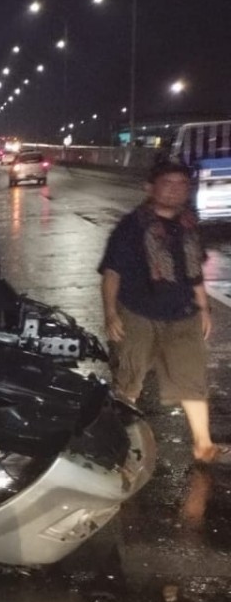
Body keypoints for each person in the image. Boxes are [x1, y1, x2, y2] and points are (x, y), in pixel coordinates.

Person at [98, 159, 227, 465]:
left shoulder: (188, 225)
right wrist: (111, 313)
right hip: (138, 313)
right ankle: (121, 449)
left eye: (182, 184)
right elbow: (112, 273)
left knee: (193, 379)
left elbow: (194, 271)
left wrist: (204, 306)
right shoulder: (131, 227)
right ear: (150, 188)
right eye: (168, 184)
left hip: (183, 314)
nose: (175, 190)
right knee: (129, 380)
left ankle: (203, 446)